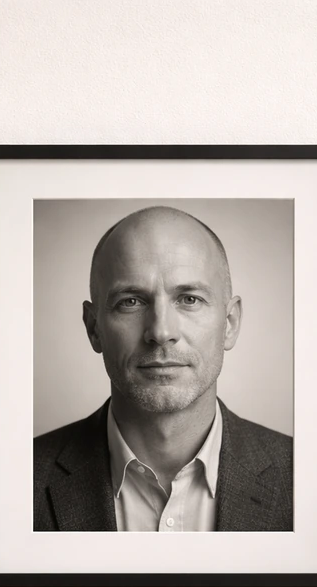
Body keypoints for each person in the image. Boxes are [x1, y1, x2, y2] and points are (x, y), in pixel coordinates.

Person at [33, 206, 292, 532]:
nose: (160, 331)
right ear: (94, 328)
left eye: (189, 299)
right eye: (131, 301)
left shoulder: (307, 476)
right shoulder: (17, 479)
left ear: (229, 323)